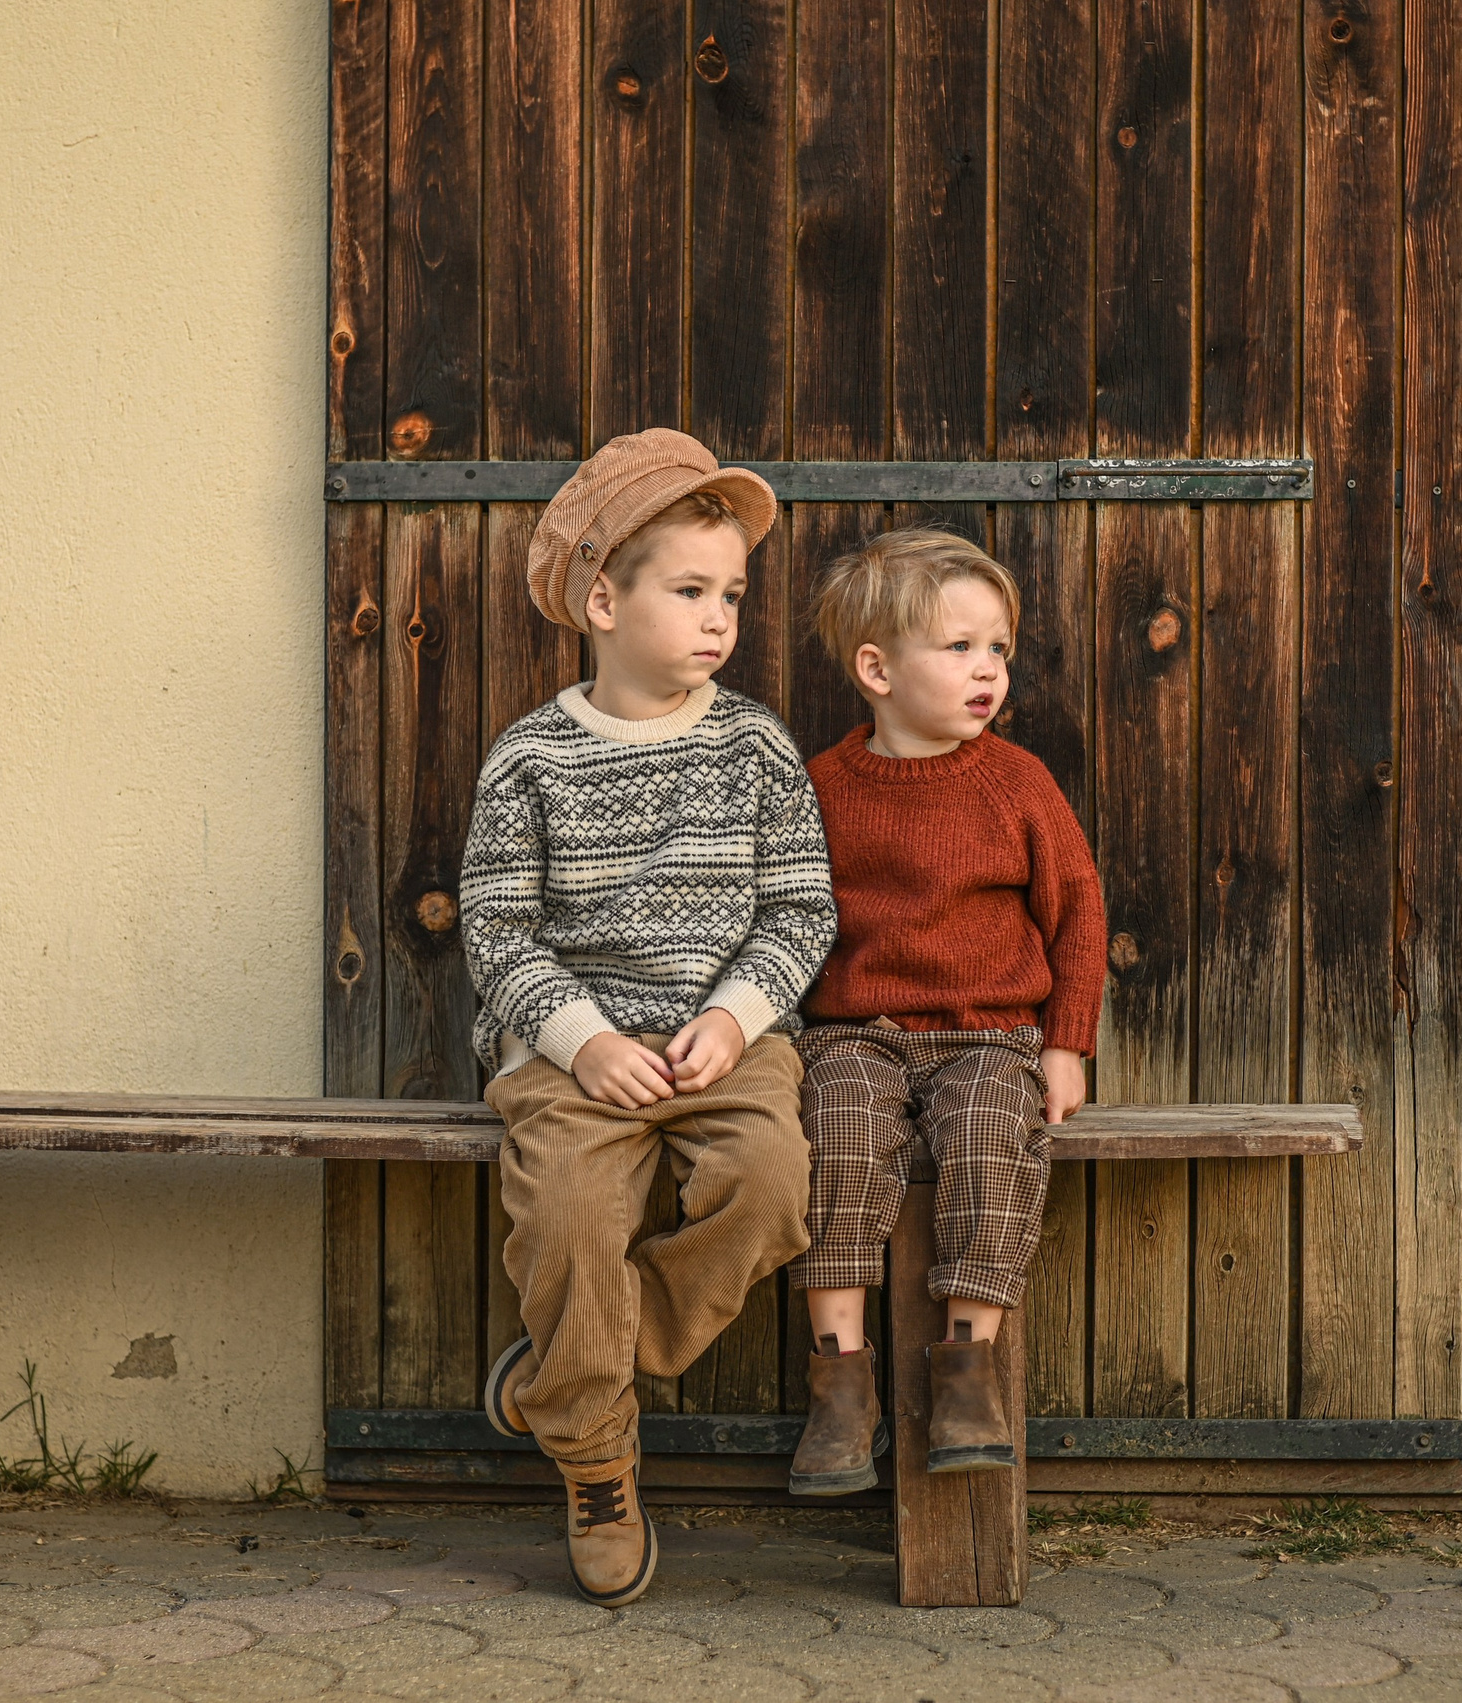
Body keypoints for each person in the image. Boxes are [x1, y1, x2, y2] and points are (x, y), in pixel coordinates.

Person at [461, 428, 836, 1605]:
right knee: (570, 1213)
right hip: (568, 1051)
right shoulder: (531, 759)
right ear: (603, 601)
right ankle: (595, 1462)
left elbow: (799, 909)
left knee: (772, 1185)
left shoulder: (754, 743)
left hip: (725, 1041)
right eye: (690, 591)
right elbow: (496, 929)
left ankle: (568, 1375)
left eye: (731, 594)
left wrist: (734, 1017)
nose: (719, 617)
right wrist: (582, 1041)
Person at [784, 527, 1105, 1497]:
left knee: (989, 1137)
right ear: (876, 669)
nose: (987, 669)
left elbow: (1077, 910)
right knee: (836, 1137)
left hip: (988, 1038)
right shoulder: (821, 788)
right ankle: (840, 1381)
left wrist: (1066, 1044)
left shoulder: (1017, 782)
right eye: (959, 646)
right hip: (857, 1034)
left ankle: (968, 1367)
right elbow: (784, 916)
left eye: (998, 647)